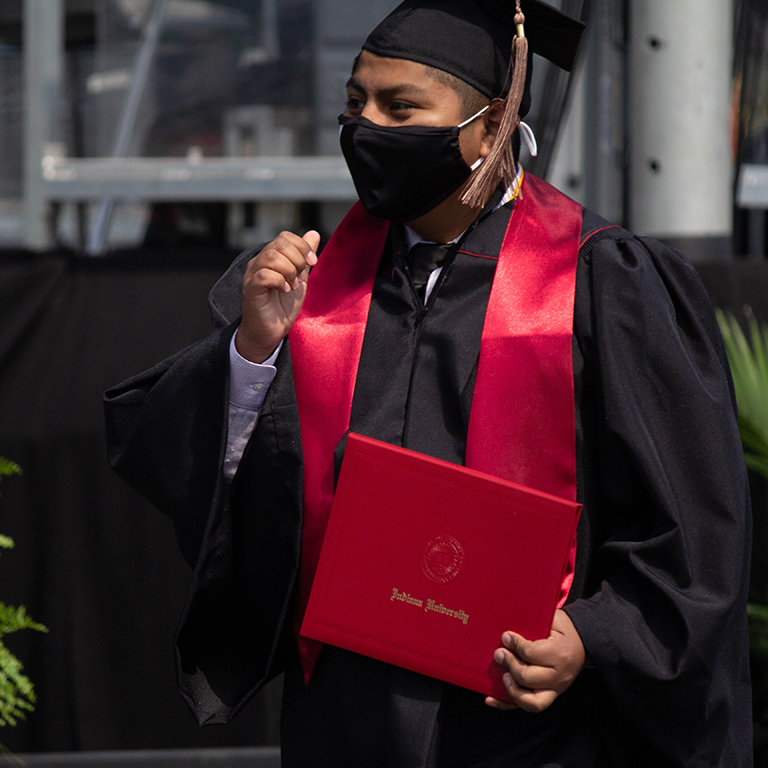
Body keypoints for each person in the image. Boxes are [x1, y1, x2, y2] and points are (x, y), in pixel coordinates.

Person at [105, 1, 753, 765]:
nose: (367, 126)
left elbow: (692, 526)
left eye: (401, 107)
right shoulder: (313, 287)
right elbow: (236, 501)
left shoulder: (601, 283)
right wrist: (254, 352)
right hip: (348, 721)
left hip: (530, 729)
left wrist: (592, 636)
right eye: (356, 103)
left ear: (490, 126)